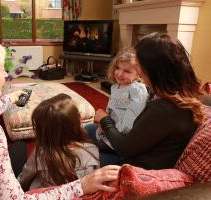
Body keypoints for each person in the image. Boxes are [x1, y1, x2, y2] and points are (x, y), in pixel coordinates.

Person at [0, 36, 120, 200]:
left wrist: (9, 100)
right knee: (18, 147)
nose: (6, 74)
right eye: (1, 69)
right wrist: (82, 185)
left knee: (18, 150)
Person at [86, 32, 207, 170]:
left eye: (138, 65)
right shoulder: (175, 92)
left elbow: (124, 148)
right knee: (88, 129)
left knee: (76, 155)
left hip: (132, 166)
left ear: (153, 70)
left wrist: (105, 120)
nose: (137, 69)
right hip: (135, 146)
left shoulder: (165, 109)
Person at [17, 93, 100, 191]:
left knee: (18, 146)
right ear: (77, 123)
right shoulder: (91, 149)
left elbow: (24, 179)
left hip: (44, 195)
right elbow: (94, 181)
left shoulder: (41, 152)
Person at [91, 48, 148, 157]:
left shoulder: (137, 90)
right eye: (118, 68)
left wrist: (108, 128)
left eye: (127, 71)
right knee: (86, 133)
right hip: (109, 130)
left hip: (120, 138)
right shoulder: (115, 86)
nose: (120, 74)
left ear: (139, 74)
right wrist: (103, 125)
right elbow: (110, 110)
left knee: (87, 145)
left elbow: (128, 126)